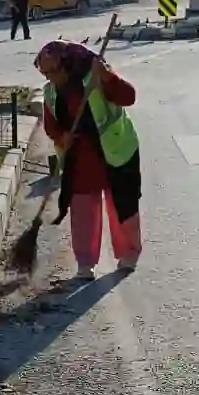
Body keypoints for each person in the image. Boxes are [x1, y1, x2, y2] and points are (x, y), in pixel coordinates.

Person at [35, 40, 142, 280]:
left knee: (122, 207)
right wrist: (63, 137)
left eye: (52, 72)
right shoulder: (51, 92)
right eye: (45, 74)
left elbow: (129, 96)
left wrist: (106, 77)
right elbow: (51, 127)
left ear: (66, 66)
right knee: (83, 211)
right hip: (81, 158)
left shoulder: (94, 76)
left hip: (116, 149)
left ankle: (129, 254)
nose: (50, 78)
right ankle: (85, 263)